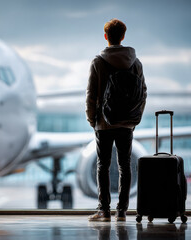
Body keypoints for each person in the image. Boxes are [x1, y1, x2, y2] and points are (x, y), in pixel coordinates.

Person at [86, 18, 147, 222]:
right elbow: (143, 93)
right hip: (126, 124)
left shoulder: (98, 62)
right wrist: (134, 117)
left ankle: (104, 211)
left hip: (104, 123)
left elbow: (91, 94)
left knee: (103, 166)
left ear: (106, 37)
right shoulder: (135, 62)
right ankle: (122, 211)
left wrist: (91, 119)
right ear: (122, 36)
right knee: (125, 166)